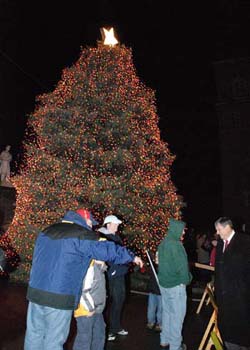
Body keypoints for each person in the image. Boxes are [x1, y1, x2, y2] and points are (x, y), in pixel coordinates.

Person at [24, 208, 143, 350]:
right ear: (84, 220)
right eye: (90, 223)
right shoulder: (81, 235)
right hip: (59, 296)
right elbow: (106, 249)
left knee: (34, 335)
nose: (91, 226)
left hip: (35, 294)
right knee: (53, 340)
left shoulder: (47, 230)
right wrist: (131, 256)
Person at [214, 217, 250, 350]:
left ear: (227, 227)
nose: (217, 233)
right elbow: (218, 270)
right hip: (224, 298)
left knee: (241, 331)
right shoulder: (220, 244)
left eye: (219, 229)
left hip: (240, 297)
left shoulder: (245, 242)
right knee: (227, 331)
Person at [157, 218, 192, 350]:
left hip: (164, 284)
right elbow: (182, 268)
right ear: (177, 229)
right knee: (177, 317)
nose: (184, 232)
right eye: (183, 229)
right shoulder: (177, 245)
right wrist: (188, 279)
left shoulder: (163, 243)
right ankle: (175, 346)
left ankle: (164, 339)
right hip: (176, 286)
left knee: (167, 313)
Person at [98, 214, 129, 341]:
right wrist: (112, 270)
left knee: (119, 300)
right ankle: (107, 330)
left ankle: (115, 327)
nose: (117, 226)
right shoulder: (103, 237)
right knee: (108, 303)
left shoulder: (116, 237)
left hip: (119, 274)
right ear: (108, 224)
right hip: (111, 275)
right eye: (115, 224)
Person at [73, 256, 107, 350]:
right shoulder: (88, 266)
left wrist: (102, 265)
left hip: (96, 308)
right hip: (86, 310)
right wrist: (90, 308)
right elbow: (83, 290)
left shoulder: (97, 266)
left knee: (99, 335)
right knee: (84, 340)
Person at [146, 250, 162, 332]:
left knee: (160, 309)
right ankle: (151, 322)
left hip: (161, 292)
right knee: (151, 308)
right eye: (156, 256)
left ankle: (160, 323)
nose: (156, 258)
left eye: (158, 256)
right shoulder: (153, 266)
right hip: (153, 290)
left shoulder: (163, 267)